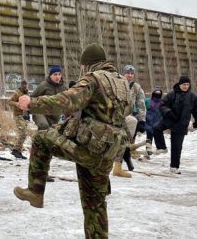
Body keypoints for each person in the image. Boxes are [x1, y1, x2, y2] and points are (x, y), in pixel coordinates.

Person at [13, 43, 132, 238]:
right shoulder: (122, 83)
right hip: (107, 153)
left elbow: (66, 100)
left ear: (87, 64)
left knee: (42, 139)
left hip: (89, 149)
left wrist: (32, 103)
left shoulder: (93, 79)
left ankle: (35, 192)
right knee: (95, 207)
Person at [152, 76, 197, 174]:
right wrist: (168, 112)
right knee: (156, 128)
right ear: (180, 84)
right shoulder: (172, 94)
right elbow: (162, 105)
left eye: (187, 84)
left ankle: (174, 167)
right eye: (184, 84)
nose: (186, 86)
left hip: (181, 123)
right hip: (169, 118)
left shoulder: (193, 97)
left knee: (176, 147)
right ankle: (162, 147)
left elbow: (196, 111)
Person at [113, 64, 146, 178]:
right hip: (113, 116)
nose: (130, 75)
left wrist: (142, 120)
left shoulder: (136, 87)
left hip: (127, 117)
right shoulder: (116, 83)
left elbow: (141, 104)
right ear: (123, 73)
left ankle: (121, 160)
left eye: (132, 74)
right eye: (128, 73)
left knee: (131, 126)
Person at [30, 65, 67, 130]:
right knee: (44, 126)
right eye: (55, 74)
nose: (57, 77)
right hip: (41, 112)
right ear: (50, 75)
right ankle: (40, 136)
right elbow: (31, 98)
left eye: (59, 74)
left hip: (57, 115)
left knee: (62, 129)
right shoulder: (44, 85)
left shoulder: (64, 87)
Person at [7, 80, 29, 159]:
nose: (25, 86)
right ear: (21, 85)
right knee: (22, 133)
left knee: (24, 133)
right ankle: (16, 150)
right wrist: (17, 104)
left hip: (24, 116)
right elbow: (9, 102)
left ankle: (18, 151)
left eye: (26, 85)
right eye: (23, 85)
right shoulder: (17, 93)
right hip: (18, 115)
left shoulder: (26, 93)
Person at [144, 88, 163, 157]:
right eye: (156, 92)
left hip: (158, 122)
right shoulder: (147, 101)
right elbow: (142, 108)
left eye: (159, 92)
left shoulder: (162, 102)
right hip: (149, 121)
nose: (157, 94)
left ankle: (159, 150)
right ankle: (147, 152)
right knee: (149, 137)